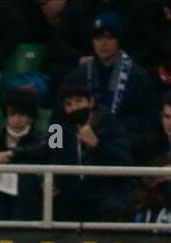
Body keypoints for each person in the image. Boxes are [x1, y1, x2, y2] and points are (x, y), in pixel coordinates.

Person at [64, 12, 158, 140]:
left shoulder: (138, 77)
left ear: (118, 41)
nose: (103, 44)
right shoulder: (77, 77)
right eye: (98, 38)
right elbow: (61, 116)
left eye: (108, 38)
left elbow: (148, 120)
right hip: (82, 142)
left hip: (125, 144)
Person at [51, 80, 133, 223]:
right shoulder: (57, 127)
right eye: (68, 104)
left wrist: (97, 145)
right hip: (72, 193)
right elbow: (51, 153)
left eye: (78, 101)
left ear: (91, 102)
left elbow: (125, 160)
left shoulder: (110, 124)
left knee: (110, 207)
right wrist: (15, 153)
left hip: (104, 192)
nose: (74, 108)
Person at [0, 86, 48, 221]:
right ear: (6, 116)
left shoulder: (41, 141)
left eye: (22, 114)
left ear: (31, 117)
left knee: (24, 179)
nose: (17, 120)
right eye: (12, 114)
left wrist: (11, 154)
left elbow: (42, 152)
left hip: (27, 196)